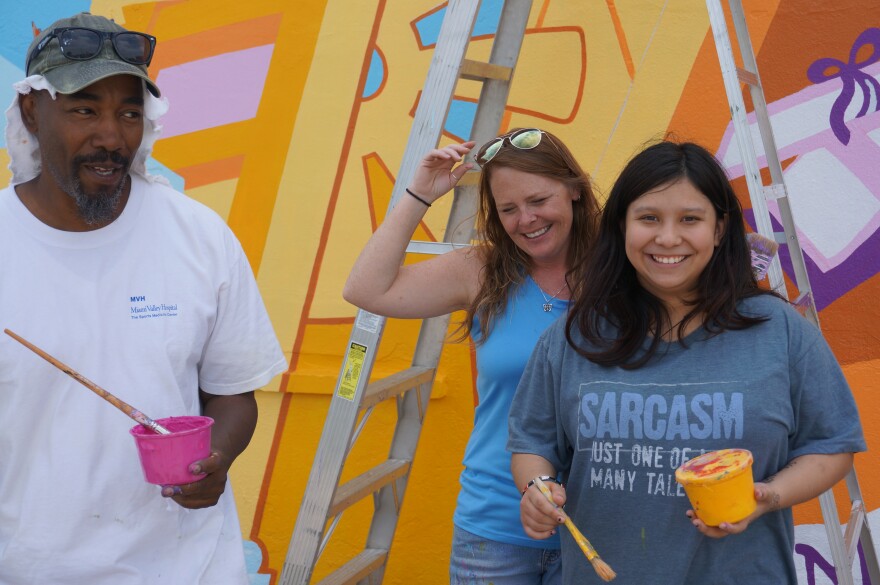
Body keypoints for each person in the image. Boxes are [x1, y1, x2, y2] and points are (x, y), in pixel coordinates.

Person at [0, 12, 287, 584]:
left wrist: (217, 461)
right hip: (28, 567)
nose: (112, 137)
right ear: (33, 111)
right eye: (85, 109)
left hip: (188, 568)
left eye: (130, 112)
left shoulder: (200, 237)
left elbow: (232, 396)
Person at [508, 140, 866, 584]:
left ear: (719, 230)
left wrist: (767, 496)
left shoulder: (778, 329)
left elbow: (833, 445)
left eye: (690, 219)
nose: (668, 238)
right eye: (649, 218)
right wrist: (536, 491)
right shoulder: (574, 336)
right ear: (622, 226)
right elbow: (533, 443)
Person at [343, 128, 600, 583]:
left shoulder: (622, 270)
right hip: (495, 530)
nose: (526, 219)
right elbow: (366, 289)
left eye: (538, 200)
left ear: (575, 190)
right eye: (508, 209)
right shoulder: (482, 270)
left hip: (602, 527)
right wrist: (420, 195)